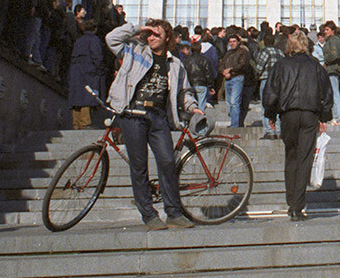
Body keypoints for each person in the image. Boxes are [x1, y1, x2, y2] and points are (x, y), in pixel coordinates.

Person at [105, 19, 200, 230]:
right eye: (149, 34)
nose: (151, 37)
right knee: (139, 166)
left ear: (167, 37)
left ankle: (174, 213)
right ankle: (148, 214)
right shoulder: (134, 51)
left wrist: (192, 107)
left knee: (167, 162)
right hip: (133, 114)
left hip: (158, 117)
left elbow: (184, 91)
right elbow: (111, 39)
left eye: (156, 34)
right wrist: (139, 28)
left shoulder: (175, 63)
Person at [262, 30, 333, 221]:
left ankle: (291, 201)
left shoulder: (281, 65)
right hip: (309, 113)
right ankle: (297, 206)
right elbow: (326, 93)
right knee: (304, 159)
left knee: (291, 157)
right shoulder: (315, 66)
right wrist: (324, 117)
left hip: (288, 114)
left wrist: (270, 114)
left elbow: (271, 92)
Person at [67, 19, 104, 130]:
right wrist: (99, 69)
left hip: (75, 70)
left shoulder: (79, 40)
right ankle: (85, 122)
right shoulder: (94, 39)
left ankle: (76, 123)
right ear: (94, 29)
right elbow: (97, 56)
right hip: (88, 69)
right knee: (87, 95)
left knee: (76, 95)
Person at [219, 32, 252, 127]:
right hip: (228, 79)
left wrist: (231, 69)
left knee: (234, 102)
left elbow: (242, 65)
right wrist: (224, 72)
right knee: (229, 103)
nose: (232, 43)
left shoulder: (242, 52)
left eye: (234, 41)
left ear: (238, 42)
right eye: (230, 42)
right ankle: (235, 122)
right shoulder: (228, 53)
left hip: (237, 78)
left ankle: (235, 125)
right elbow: (222, 64)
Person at [319, 21, 340, 125]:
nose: (325, 32)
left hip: (333, 69)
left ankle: (337, 117)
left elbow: (334, 55)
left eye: (327, 30)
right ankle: (334, 116)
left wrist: (325, 61)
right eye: (325, 30)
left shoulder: (333, 41)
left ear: (332, 31)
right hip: (330, 69)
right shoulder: (330, 40)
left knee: (334, 93)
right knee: (331, 92)